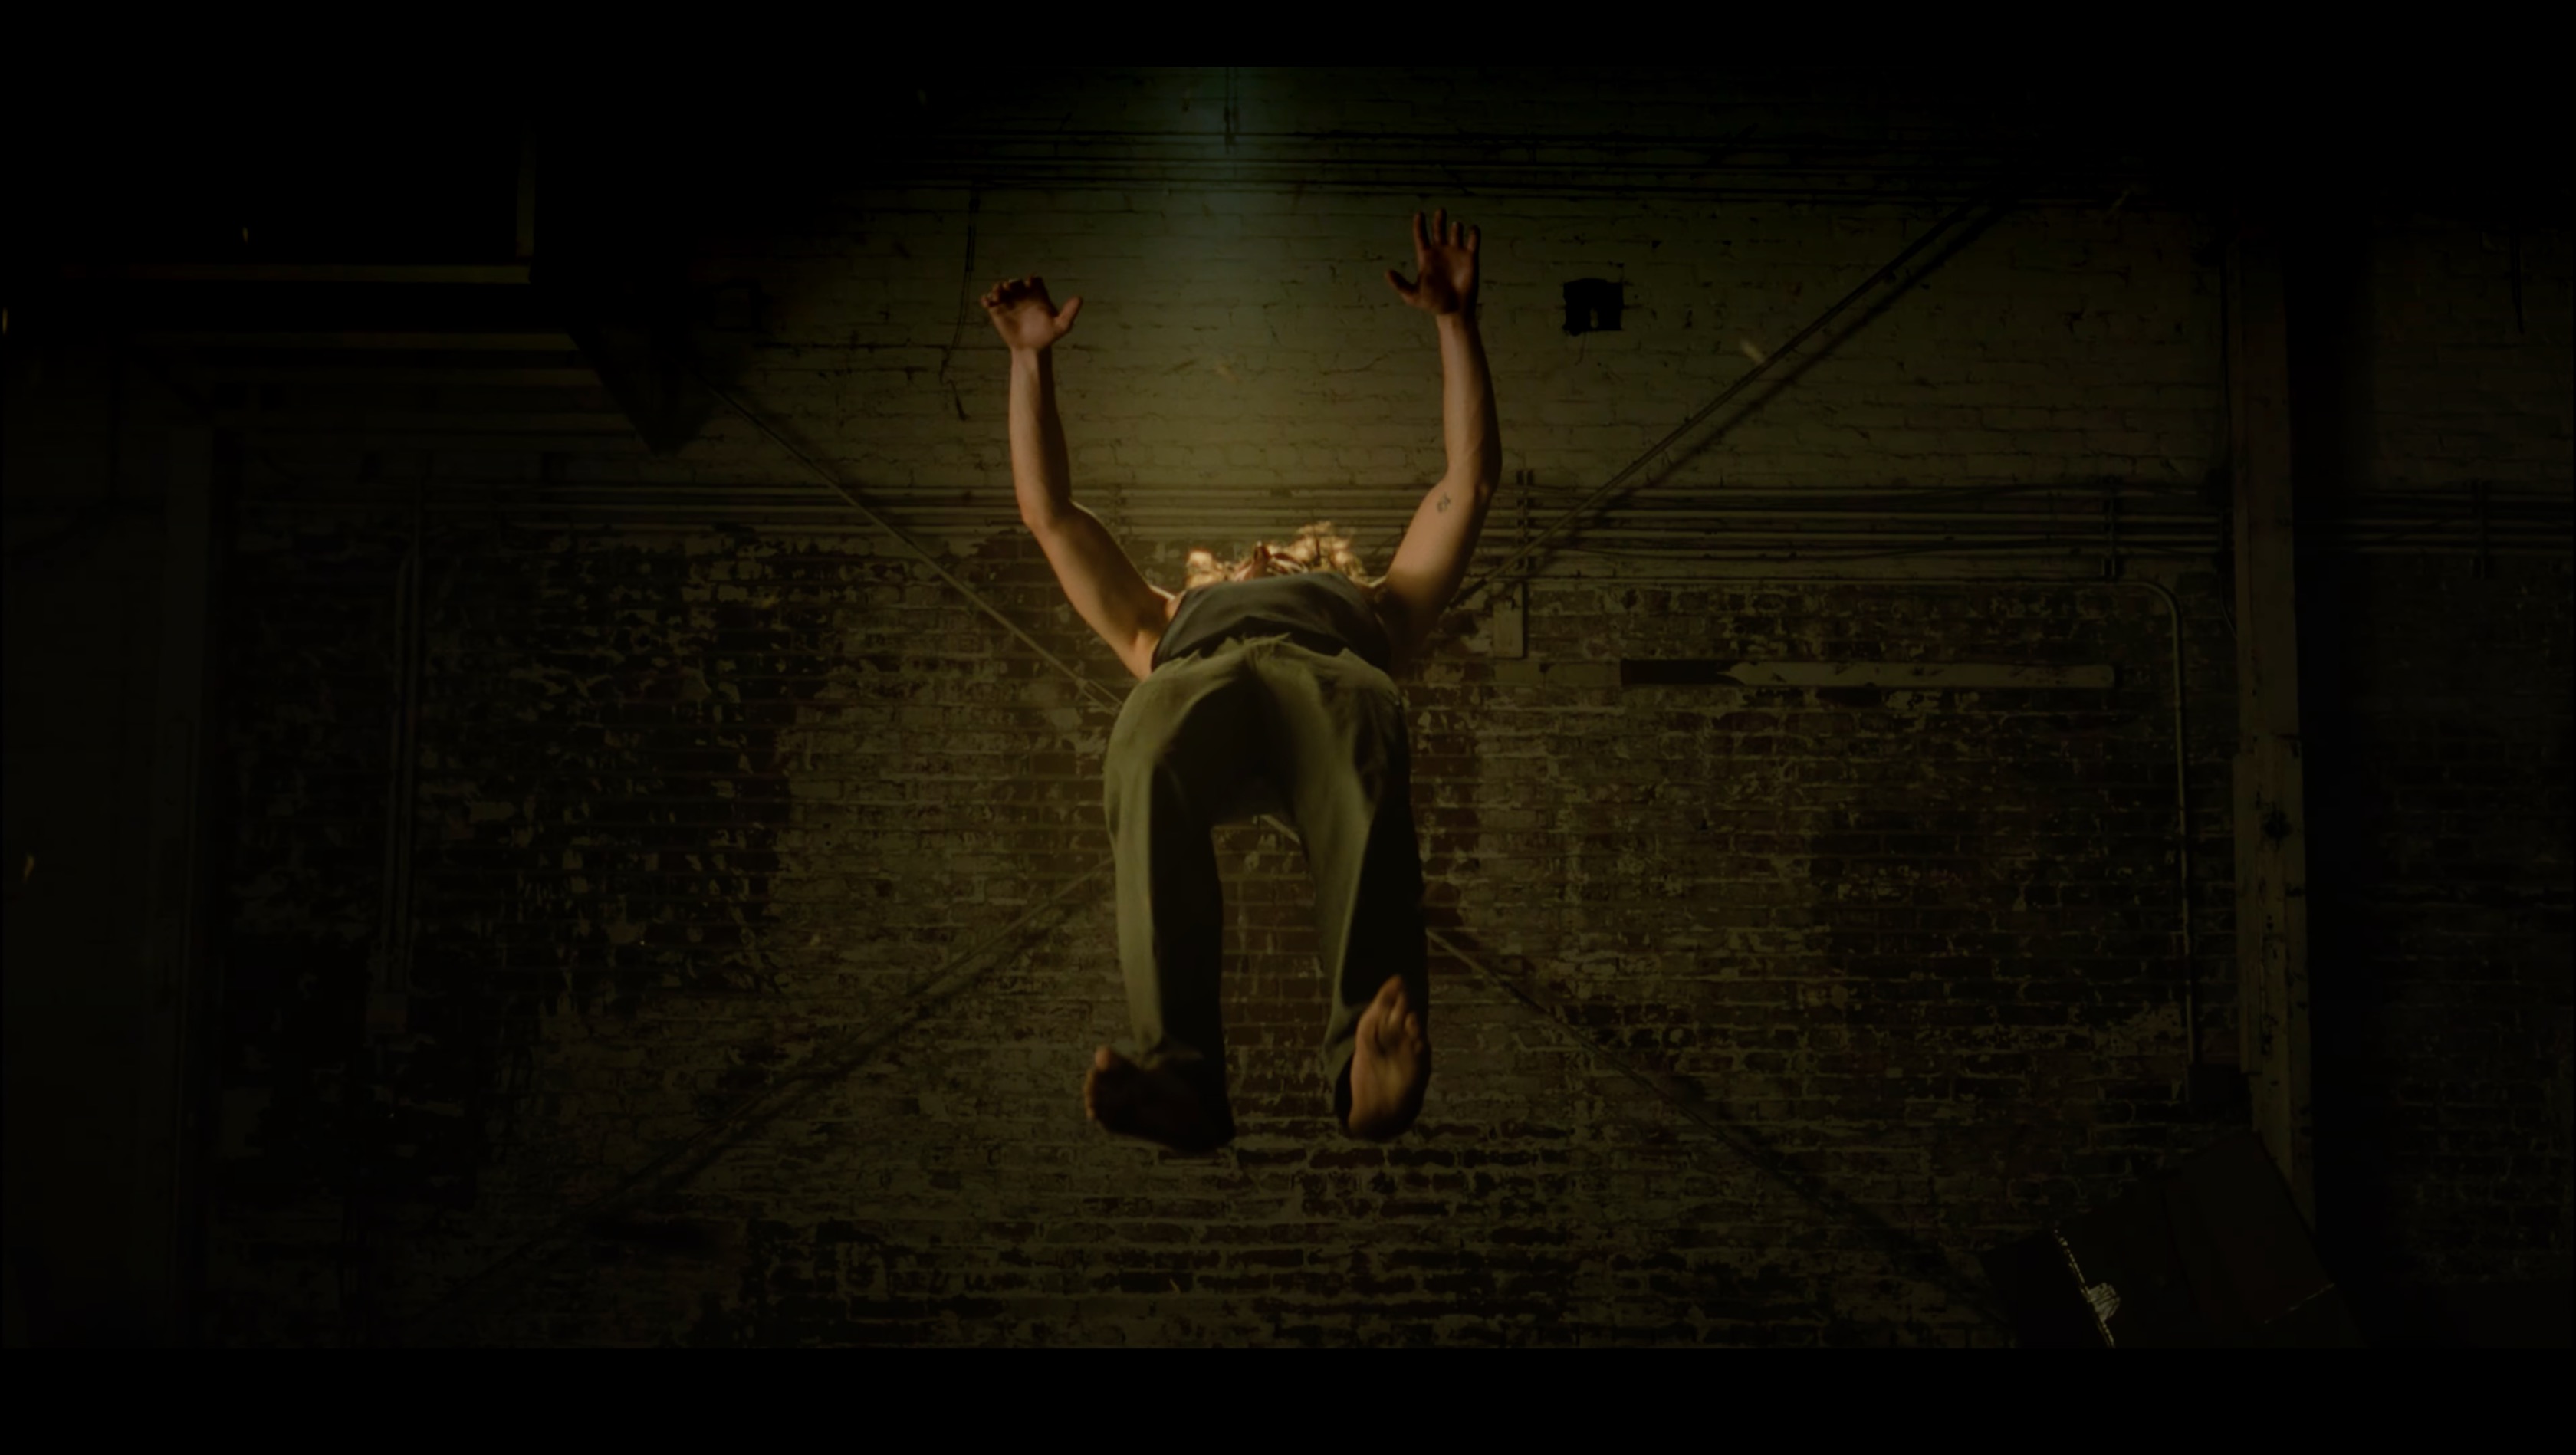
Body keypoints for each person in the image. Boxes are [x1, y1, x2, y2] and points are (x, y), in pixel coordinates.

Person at [983, 209, 1500, 1154]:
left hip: (1330, 678)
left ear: (1322, 565)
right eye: (1244, 558)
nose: (1263, 551)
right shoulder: (1162, 619)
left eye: (1291, 553)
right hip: (1194, 680)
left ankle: (1369, 1060)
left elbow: (1465, 487)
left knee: (1364, 774)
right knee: (1146, 753)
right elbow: (1050, 515)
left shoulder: (1376, 606)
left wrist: (1456, 326)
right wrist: (1029, 360)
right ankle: (1178, 1073)